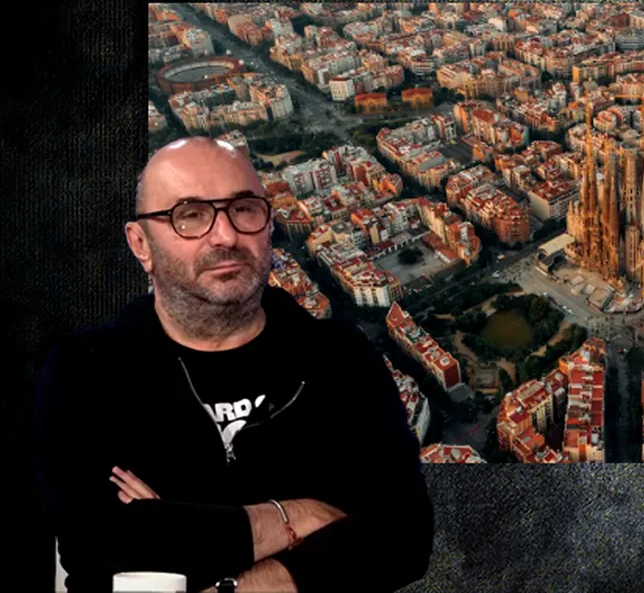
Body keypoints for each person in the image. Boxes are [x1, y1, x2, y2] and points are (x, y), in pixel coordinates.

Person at [34, 138, 434, 592]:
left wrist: (175, 529)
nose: (225, 236)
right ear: (140, 243)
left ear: (268, 224)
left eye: (243, 209)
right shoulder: (83, 372)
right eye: (189, 215)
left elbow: (403, 537)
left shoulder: (340, 357)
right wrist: (294, 516)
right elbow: (97, 546)